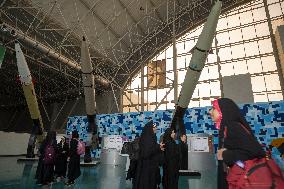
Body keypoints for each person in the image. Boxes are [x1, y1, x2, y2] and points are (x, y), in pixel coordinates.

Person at [210, 98, 282, 189]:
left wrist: (225, 154)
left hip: (245, 179)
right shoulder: (225, 128)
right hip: (238, 176)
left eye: (213, 108)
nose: (210, 111)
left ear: (223, 110)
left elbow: (255, 151)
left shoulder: (233, 126)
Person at [134, 121, 165, 189]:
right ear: (150, 128)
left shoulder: (152, 137)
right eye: (154, 127)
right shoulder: (147, 138)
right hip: (146, 167)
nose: (156, 128)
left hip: (151, 166)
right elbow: (146, 153)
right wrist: (158, 147)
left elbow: (152, 148)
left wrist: (159, 148)